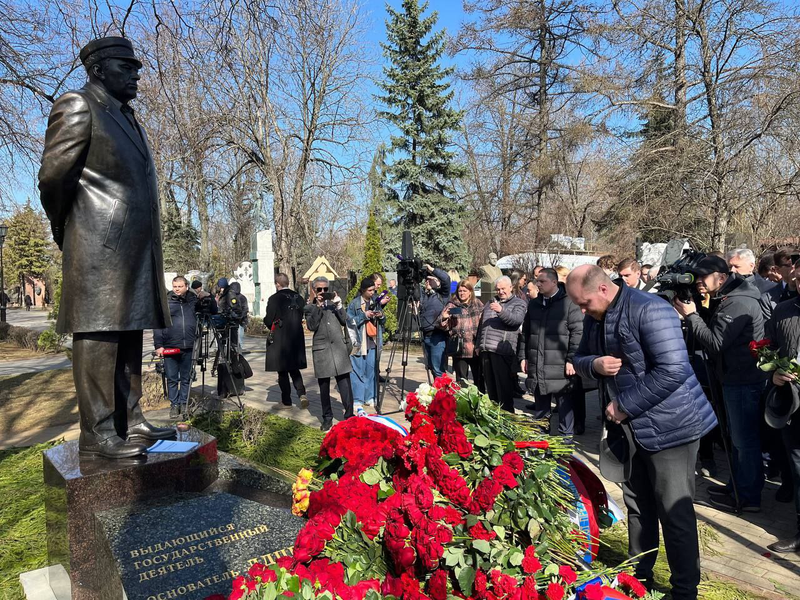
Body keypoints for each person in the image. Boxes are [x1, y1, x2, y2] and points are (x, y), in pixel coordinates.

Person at [38, 36, 174, 458]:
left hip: (136, 250)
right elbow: (52, 179)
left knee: (131, 330)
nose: (136, 74)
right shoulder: (79, 105)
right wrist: (72, 231)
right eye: (126, 67)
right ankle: (97, 432)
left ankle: (130, 420)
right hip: (99, 247)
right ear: (98, 69)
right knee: (99, 334)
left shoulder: (127, 117)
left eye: (136, 67)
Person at [567, 265, 716, 600]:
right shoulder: (596, 316)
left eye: (584, 302)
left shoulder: (650, 309)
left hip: (672, 427)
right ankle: (639, 577)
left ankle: (683, 590)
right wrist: (594, 364)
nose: (581, 310)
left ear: (603, 289)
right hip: (630, 430)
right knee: (638, 505)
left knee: (673, 510)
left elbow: (674, 368)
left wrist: (624, 405)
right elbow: (577, 359)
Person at [673, 255, 766, 513]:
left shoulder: (739, 302)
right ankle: (735, 486)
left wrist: (692, 317)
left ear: (722, 278)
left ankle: (747, 498)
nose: (699, 282)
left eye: (704, 277)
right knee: (736, 440)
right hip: (734, 378)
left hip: (742, 381)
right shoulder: (729, 297)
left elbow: (715, 343)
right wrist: (698, 311)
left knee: (744, 442)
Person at [519, 268, 583, 438]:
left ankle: (565, 443)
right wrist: (523, 357)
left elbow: (578, 333)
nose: (537, 284)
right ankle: (542, 441)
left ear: (554, 282)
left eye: (542, 281)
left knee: (564, 407)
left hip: (560, 366)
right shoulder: (534, 304)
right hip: (537, 364)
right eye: (537, 281)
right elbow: (526, 333)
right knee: (541, 408)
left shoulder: (569, 303)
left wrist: (571, 359)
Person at [764, 293, 800, 553]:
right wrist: (773, 371)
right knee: (798, 469)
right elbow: (768, 347)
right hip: (794, 406)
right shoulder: (784, 310)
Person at [305, 276, 354, 431]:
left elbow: (346, 321)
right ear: (314, 290)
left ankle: (350, 415)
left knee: (345, 384)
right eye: (319, 289)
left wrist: (339, 306)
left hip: (339, 350)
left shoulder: (334, 304)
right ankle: (327, 418)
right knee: (324, 387)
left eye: (325, 289)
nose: (322, 292)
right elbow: (311, 326)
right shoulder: (310, 307)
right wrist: (318, 307)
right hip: (322, 351)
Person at [153, 276, 203, 418]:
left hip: (187, 345)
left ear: (186, 286)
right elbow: (158, 324)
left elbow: (210, 310)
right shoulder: (167, 302)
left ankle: (184, 403)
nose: (177, 289)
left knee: (186, 378)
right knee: (172, 378)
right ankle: (174, 405)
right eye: (175, 286)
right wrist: (159, 345)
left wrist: (207, 298)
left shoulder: (193, 301)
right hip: (170, 346)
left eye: (180, 286)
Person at [476, 276, 527, 412]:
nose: (500, 292)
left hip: (503, 351)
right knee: (491, 389)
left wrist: (500, 311)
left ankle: (507, 419)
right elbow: (482, 325)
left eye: (503, 288)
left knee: (503, 390)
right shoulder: (490, 302)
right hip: (486, 350)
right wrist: (478, 345)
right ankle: (494, 419)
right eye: (497, 289)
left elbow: (516, 321)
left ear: (511, 287)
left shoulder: (519, 303)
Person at [264, 273, 308, 409]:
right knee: (294, 368)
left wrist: (267, 323)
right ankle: (302, 394)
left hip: (281, 336)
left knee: (282, 369)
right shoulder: (299, 297)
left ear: (277, 284)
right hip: (296, 335)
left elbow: (269, 318)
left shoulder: (274, 299)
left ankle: (286, 401)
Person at [347, 277, 386, 413]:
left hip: (373, 341)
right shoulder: (354, 304)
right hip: (359, 342)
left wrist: (380, 315)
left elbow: (383, 321)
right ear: (363, 290)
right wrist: (364, 315)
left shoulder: (376, 302)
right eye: (369, 290)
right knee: (357, 371)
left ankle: (370, 396)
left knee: (371, 371)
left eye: (373, 290)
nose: (372, 293)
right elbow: (349, 322)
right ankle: (357, 399)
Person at [440, 280, 484, 391]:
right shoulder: (451, 305)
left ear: (470, 292)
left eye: (465, 290)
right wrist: (444, 318)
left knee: (479, 380)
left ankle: (480, 404)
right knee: (461, 381)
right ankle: (463, 405)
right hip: (459, 349)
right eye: (460, 291)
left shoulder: (478, 304)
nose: (462, 293)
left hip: (475, 348)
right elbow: (443, 327)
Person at [419, 264, 451, 377]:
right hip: (425, 335)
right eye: (426, 280)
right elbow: (421, 317)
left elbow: (446, 279)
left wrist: (432, 270)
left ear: (437, 281)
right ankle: (436, 392)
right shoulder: (424, 296)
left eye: (430, 279)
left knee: (438, 369)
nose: (427, 281)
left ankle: (443, 393)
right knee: (431, 368)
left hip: (438, 336)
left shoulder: (443, 294)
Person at [760, 249, 799, 322]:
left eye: (797, 264)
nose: (794, 269)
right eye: (790, 265)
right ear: (777, 269)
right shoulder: (768, 299)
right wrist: (791, 288)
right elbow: (769, 329)